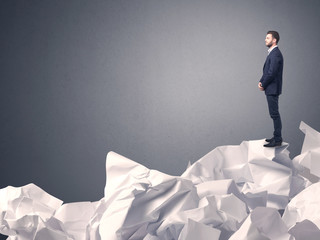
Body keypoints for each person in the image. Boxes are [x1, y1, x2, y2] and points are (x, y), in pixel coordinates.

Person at [258, 31, 284, 147]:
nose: (265, 39)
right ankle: (276, 136)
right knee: (274, 114)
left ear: (274, 40)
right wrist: (261, 81)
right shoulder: (272, 53)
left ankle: (278, 139)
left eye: (267, 38)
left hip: (272, 88)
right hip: (271, 88)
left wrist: (263, 84)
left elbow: (271, 72)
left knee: (274, 114)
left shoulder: (275, 54)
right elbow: (267, 71)